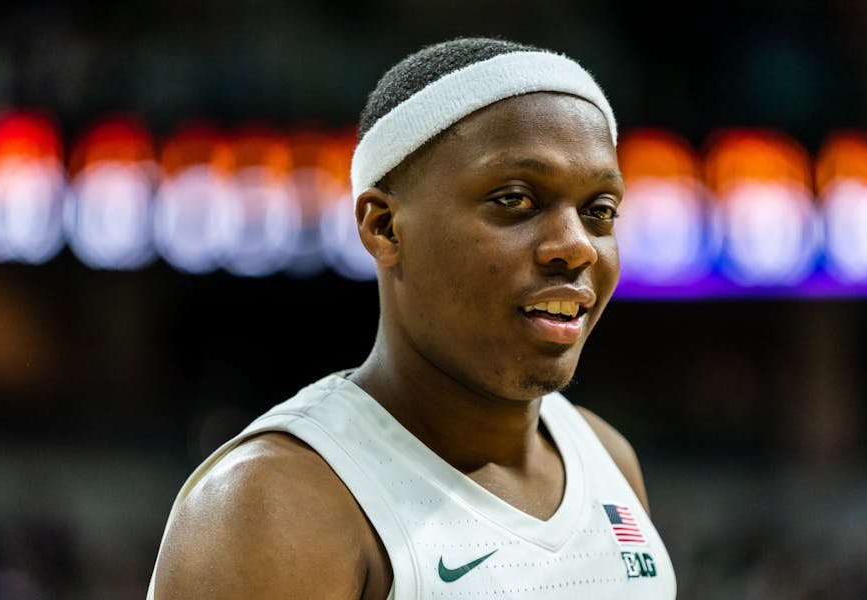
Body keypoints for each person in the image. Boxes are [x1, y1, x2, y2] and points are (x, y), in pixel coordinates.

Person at [148, 37, 676, 599]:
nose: (577, 247)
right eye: (515, 199)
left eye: (600, 212)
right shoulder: (274, 506)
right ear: (384, 227)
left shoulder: (607, 458)